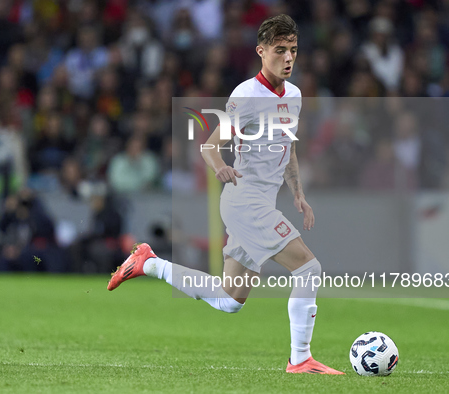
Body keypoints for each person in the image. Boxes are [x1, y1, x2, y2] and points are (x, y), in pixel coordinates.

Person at [107, 15, 344, 375]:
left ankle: (149, 263)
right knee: (309, 269)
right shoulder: (246, 95)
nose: (288, 58)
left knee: (230, 300)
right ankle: (300, 359)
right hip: (245, 200)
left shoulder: (293, 96)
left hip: (261, 202)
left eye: (293, 50)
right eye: (280, 50)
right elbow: (210, 144)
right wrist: (219, 165)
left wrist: (298, 194)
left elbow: (289, 149)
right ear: (261, 51)